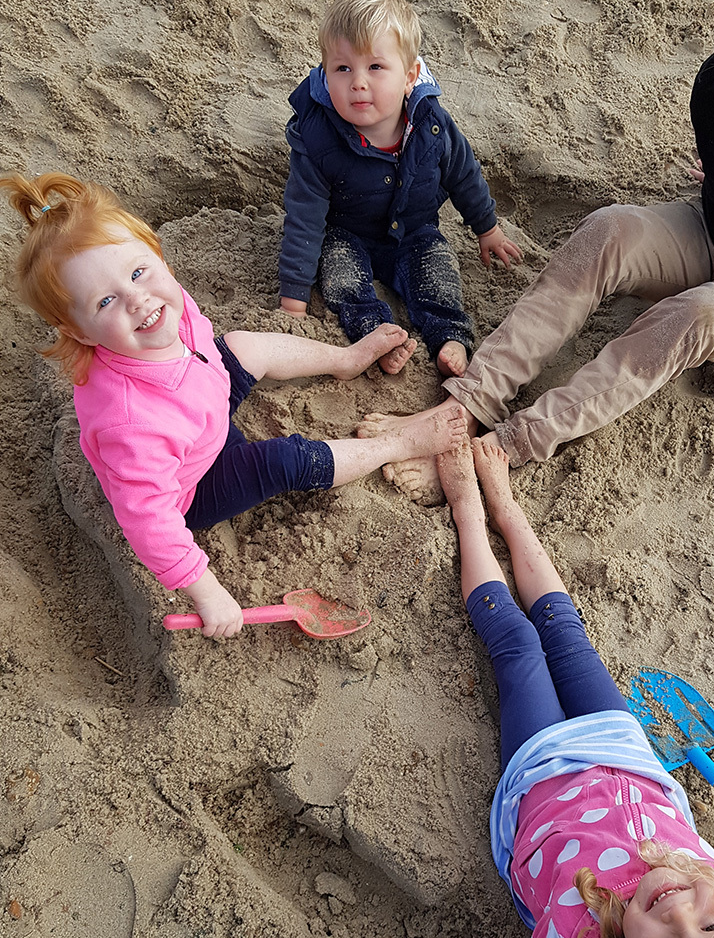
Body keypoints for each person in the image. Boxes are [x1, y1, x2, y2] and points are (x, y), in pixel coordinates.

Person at [359, 0, 714, 503]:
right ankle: (470, 402)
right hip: (709, 232)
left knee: (695, 315)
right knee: (608, 228)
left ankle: (513, 443)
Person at [441, 439, 714, 938]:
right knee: (565, 631)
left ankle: (469, 512)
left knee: (518, 646)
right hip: (626, 756)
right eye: (713, 928)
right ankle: (508, 508)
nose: (680, 910)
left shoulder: (577, 936)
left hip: (543, 779)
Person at [3, 172, 464, 638]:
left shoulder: (164, 307)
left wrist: (219, 373)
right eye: (106, 301)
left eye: (138, 272)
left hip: (201, 403)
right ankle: (396, 443)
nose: (137, 300)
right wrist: (205, 590)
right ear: (81, 333)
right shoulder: (128, 424)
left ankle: (345, 360)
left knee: (242, 345)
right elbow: (149, 522)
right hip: (195, 481)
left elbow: (203, 343)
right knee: (285, 459)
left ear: (155, 254)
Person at [278, 0, 523, 378]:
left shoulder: (431, 124)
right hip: (346, 232)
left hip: (414, 230)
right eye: (342, 68)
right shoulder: (317, 137)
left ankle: (449, 338)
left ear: (410, 75)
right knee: (341, 279)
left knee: (438, 273)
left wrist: (486, 227)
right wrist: (293, 299)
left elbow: (463, 173)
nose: (358, 82)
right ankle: (375, 334)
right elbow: (304, 217)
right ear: (325, 74)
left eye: (375, 66)